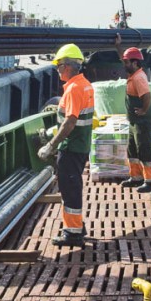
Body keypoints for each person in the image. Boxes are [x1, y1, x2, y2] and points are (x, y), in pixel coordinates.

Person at [37, 44, 95, 247]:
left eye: (59, 66)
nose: (58, 70)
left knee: (69, 188)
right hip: (80, 145)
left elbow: (70, 122)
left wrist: (51, 146)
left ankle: (72, 233)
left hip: (71, 148)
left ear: (68, 66)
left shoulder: (73, 89)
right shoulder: (85, 84)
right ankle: (77, 226)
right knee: (72, 185)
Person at [117, 37, 151, 193]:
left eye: (127, 62)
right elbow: (124, 58)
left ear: (135, 63)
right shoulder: (133, 73)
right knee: (132, 150)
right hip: (134, 121)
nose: (124, 64)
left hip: (142, 121)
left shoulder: (139, 77)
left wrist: (143, 111)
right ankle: (136, 178)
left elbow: (147, 96)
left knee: (145, 149)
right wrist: (118, 46)